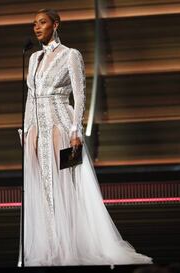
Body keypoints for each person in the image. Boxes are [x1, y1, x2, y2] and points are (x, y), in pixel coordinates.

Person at [18, 8, 153, 266]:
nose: (37, 27)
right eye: (34, 23)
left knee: (69, 188)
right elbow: (30, 97)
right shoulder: (33, 58)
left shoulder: (71, 55)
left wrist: (76, 131)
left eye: (42, 22)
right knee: (43, 189)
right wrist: (26, 130)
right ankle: (50, 246)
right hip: (37, 131)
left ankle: (73, 245)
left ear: (55, 24)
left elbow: (79, 95)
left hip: (62, 129)